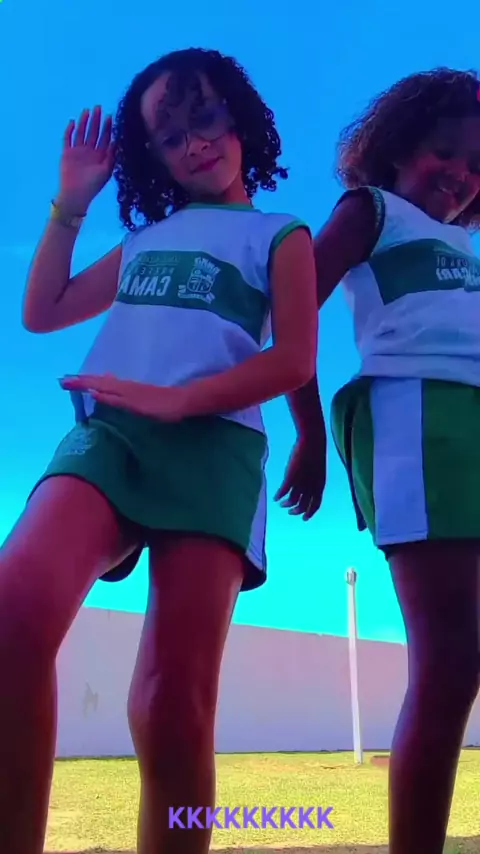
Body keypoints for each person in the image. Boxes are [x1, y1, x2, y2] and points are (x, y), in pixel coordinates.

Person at [0, 47, 318, 854]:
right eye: (169, 137)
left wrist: (180, 399)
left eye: (204, 116)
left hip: (215, 452)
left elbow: (293, 360)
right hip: (109, 437)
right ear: (154, 159)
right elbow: (43, 310)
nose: (193, 143)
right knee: (12, 615)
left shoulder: (282, 234)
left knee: (173, 708)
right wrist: (71, 204)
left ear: (239, 117)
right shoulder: (147, 239)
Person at [277, 67, 480, 854]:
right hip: (415, 418)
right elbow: (294, 310)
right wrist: (309, 434)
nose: (460, 174)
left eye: (477, 166)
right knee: (451, 660)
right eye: (445, 151)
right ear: (396, 147)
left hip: (470, 418)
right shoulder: (373, 210)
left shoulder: (464, 243)